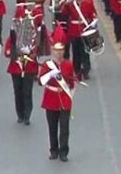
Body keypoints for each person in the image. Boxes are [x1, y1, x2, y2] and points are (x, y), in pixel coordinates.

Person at [38, 27, 77, 162]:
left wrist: (70, 97)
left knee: (65, 128)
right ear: (52, 51)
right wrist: (50, 74)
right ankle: (53, 150)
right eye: (56, 51)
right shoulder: (47, 65)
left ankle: (64, 151)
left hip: (65, 99)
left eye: (61, 51)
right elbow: (41, 82)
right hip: (51, 99)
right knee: (52, 127)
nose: (59, 53)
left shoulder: (68, 65)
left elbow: (72, 84)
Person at [61, 0, 97, 80]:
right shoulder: (70, 4)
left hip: (84, 29)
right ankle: (76, 70)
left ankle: (86, 70)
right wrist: (65, 3)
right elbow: (64, 13)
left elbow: (93, 15)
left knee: (85, 51)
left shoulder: (88, 2)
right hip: (73, 30)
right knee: (76, 52)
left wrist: (92, 25)